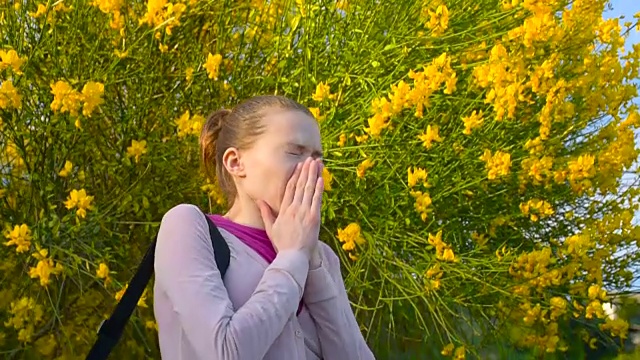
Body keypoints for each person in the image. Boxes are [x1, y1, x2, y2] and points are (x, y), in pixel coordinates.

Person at [153, 95, 375, 360]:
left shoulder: (323, 257)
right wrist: (292, 258)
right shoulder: (188, 227)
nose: (312, 170)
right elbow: (224, 353)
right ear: (236, 163)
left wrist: (310, 260)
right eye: (295, 152)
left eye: (317, 158)